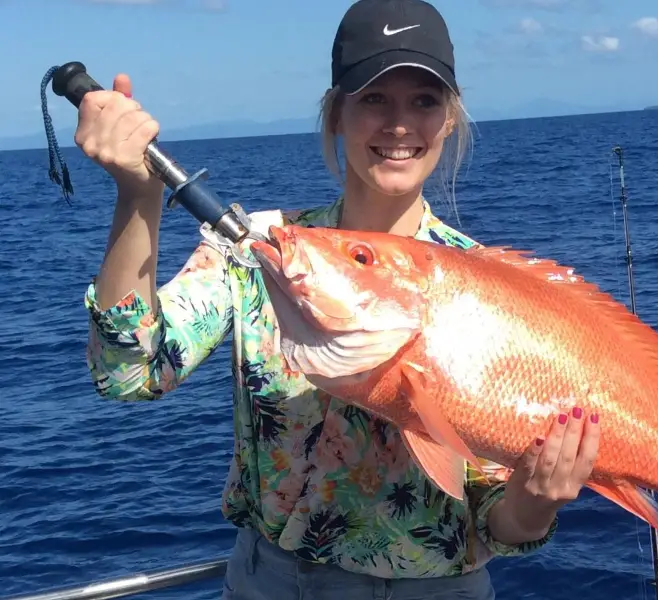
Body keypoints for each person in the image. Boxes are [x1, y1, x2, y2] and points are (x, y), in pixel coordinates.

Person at [76, 0, 602, 598]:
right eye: (374, 98)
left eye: (424, 101)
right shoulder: (262, 251)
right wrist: (139, 196)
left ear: (449, 119)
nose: (399, 124)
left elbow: (497, 526)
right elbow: (128, 374)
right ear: (335, 113)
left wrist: (536, 502)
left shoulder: (485, 292)